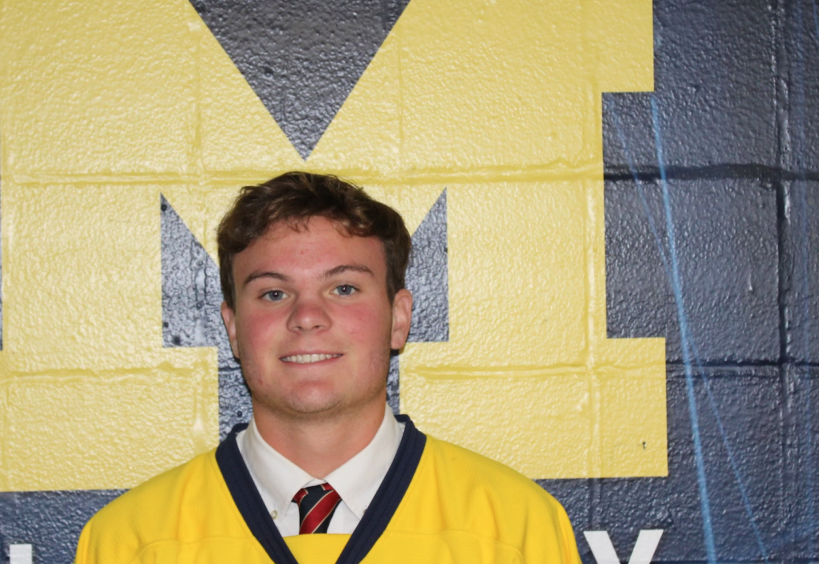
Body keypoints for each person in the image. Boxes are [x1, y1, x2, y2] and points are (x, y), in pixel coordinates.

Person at [75, 172, 581, 564]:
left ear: (398, 318)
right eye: (273, 293)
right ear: (232, 327)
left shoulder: (516, 532)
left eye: (344, 288)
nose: (307, 317)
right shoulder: (129, 542)